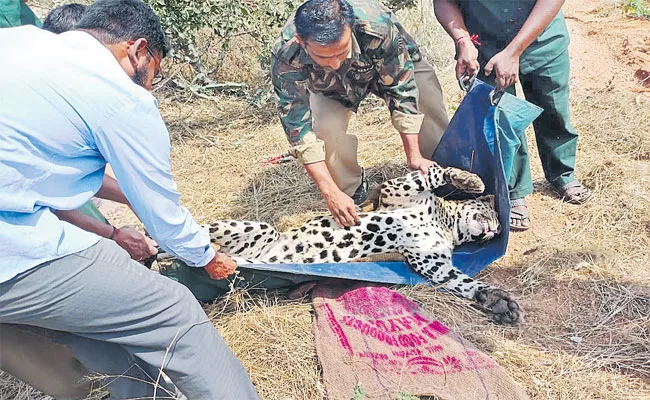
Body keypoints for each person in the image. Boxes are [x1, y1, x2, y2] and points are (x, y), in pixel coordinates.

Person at [0, 0, 259, 399]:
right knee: (173, 310)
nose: (149, 87)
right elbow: (165, 217)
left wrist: (138, 199)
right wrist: (205, 256)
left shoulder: (18, 45)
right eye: (152, 74)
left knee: (93, 331)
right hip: (10, 254)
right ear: (137, 51)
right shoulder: (118, 92)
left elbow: (33, 169)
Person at [271, 0, 449, 228]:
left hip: (387, 66)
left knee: (426, 97)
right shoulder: (287, 52)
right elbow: (298, 128)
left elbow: (401, 88)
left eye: (341, 51)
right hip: (329, 87)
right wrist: (330, 192)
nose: (335, 62)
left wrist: (412, 154)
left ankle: (439, 174)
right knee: (326, 128)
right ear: (301, 42)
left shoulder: (377, 25)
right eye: (324, 57)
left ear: (351, 29)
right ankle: (351, 193)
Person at [434, 0, 593, 231]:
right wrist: (463, 41)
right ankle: (513, 189)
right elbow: (443, 1)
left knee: (553, 108)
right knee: (501, 118)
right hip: (486, 44)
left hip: (542, 41)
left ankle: (562, 172)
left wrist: (514, 51)